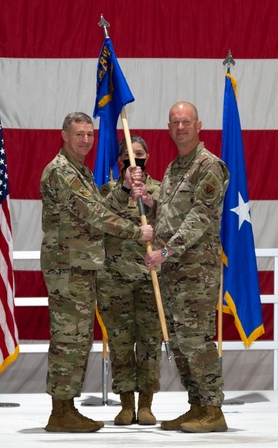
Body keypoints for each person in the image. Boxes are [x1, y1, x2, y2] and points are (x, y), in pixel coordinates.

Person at [40, 112, 154, 433]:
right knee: (68, 339)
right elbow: (95, 215)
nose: (86, 140)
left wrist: (123, 185)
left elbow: (102, 206)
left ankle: (66, 407)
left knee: (77, 339)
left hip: (81, 267)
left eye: (89, 134)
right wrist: (136, 232)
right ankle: (60, 411)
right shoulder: (62, 172)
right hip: (68, 267)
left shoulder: (81, 171)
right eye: (79, 134)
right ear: (64, 135)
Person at [141, 101, 230, 433]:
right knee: (179, 342)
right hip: (174, 272)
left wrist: (166, 251)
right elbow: (169, 210)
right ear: (169, 128)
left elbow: (200, 217)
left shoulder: (209, 166)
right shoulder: (175, 168)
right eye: (175, 122)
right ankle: (196, 406)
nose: (180, 127)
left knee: (196, 340)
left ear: (198, 125)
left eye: (186, 122)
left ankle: (213, 409)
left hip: (196, 269)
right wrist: (151, 200)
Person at [97, 135, 163, 426]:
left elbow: (169, 221)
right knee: (122, 345)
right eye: (128, 154)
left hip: (150, 279)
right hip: (115, 280)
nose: (133, 159)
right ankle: (125, 404)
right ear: (120, 160)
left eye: (139, 154)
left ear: (147, 157)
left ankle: (146, 404)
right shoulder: (108, 190)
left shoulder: (160, 189)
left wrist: (148, 197)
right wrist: (125, 188)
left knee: (149, 344)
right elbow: (99, 218)